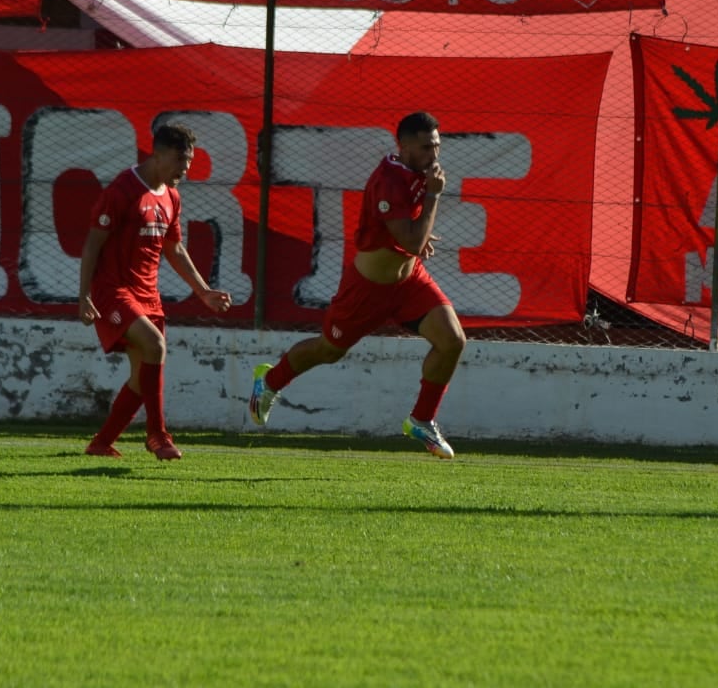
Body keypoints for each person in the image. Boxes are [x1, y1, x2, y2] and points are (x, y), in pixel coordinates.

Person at [248, 111, 467, 458]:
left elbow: (408, 237)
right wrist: (432, 201)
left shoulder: (419, 172)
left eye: (437, 145)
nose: (435, 155)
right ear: (404, 145)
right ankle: (270, 380)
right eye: (427, 147)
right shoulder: (388, 180)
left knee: (453, 340)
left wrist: (416, 236)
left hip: (409, 280)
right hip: (367, 289)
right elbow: (410, 237)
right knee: (328, 351)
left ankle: (422, 420)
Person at [78, 122, 232, 460]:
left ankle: (101, 443)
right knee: (155, 345)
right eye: (179, 160)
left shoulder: (172, 197)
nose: (185, 169)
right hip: (113, 289)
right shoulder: (121, 191)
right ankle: (158, 436)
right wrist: (84, 295)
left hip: (148, 294)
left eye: (188, 161)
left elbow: (174, 249)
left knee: (140, 377)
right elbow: (92, 245)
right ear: (157, 155)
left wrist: (203, 291)